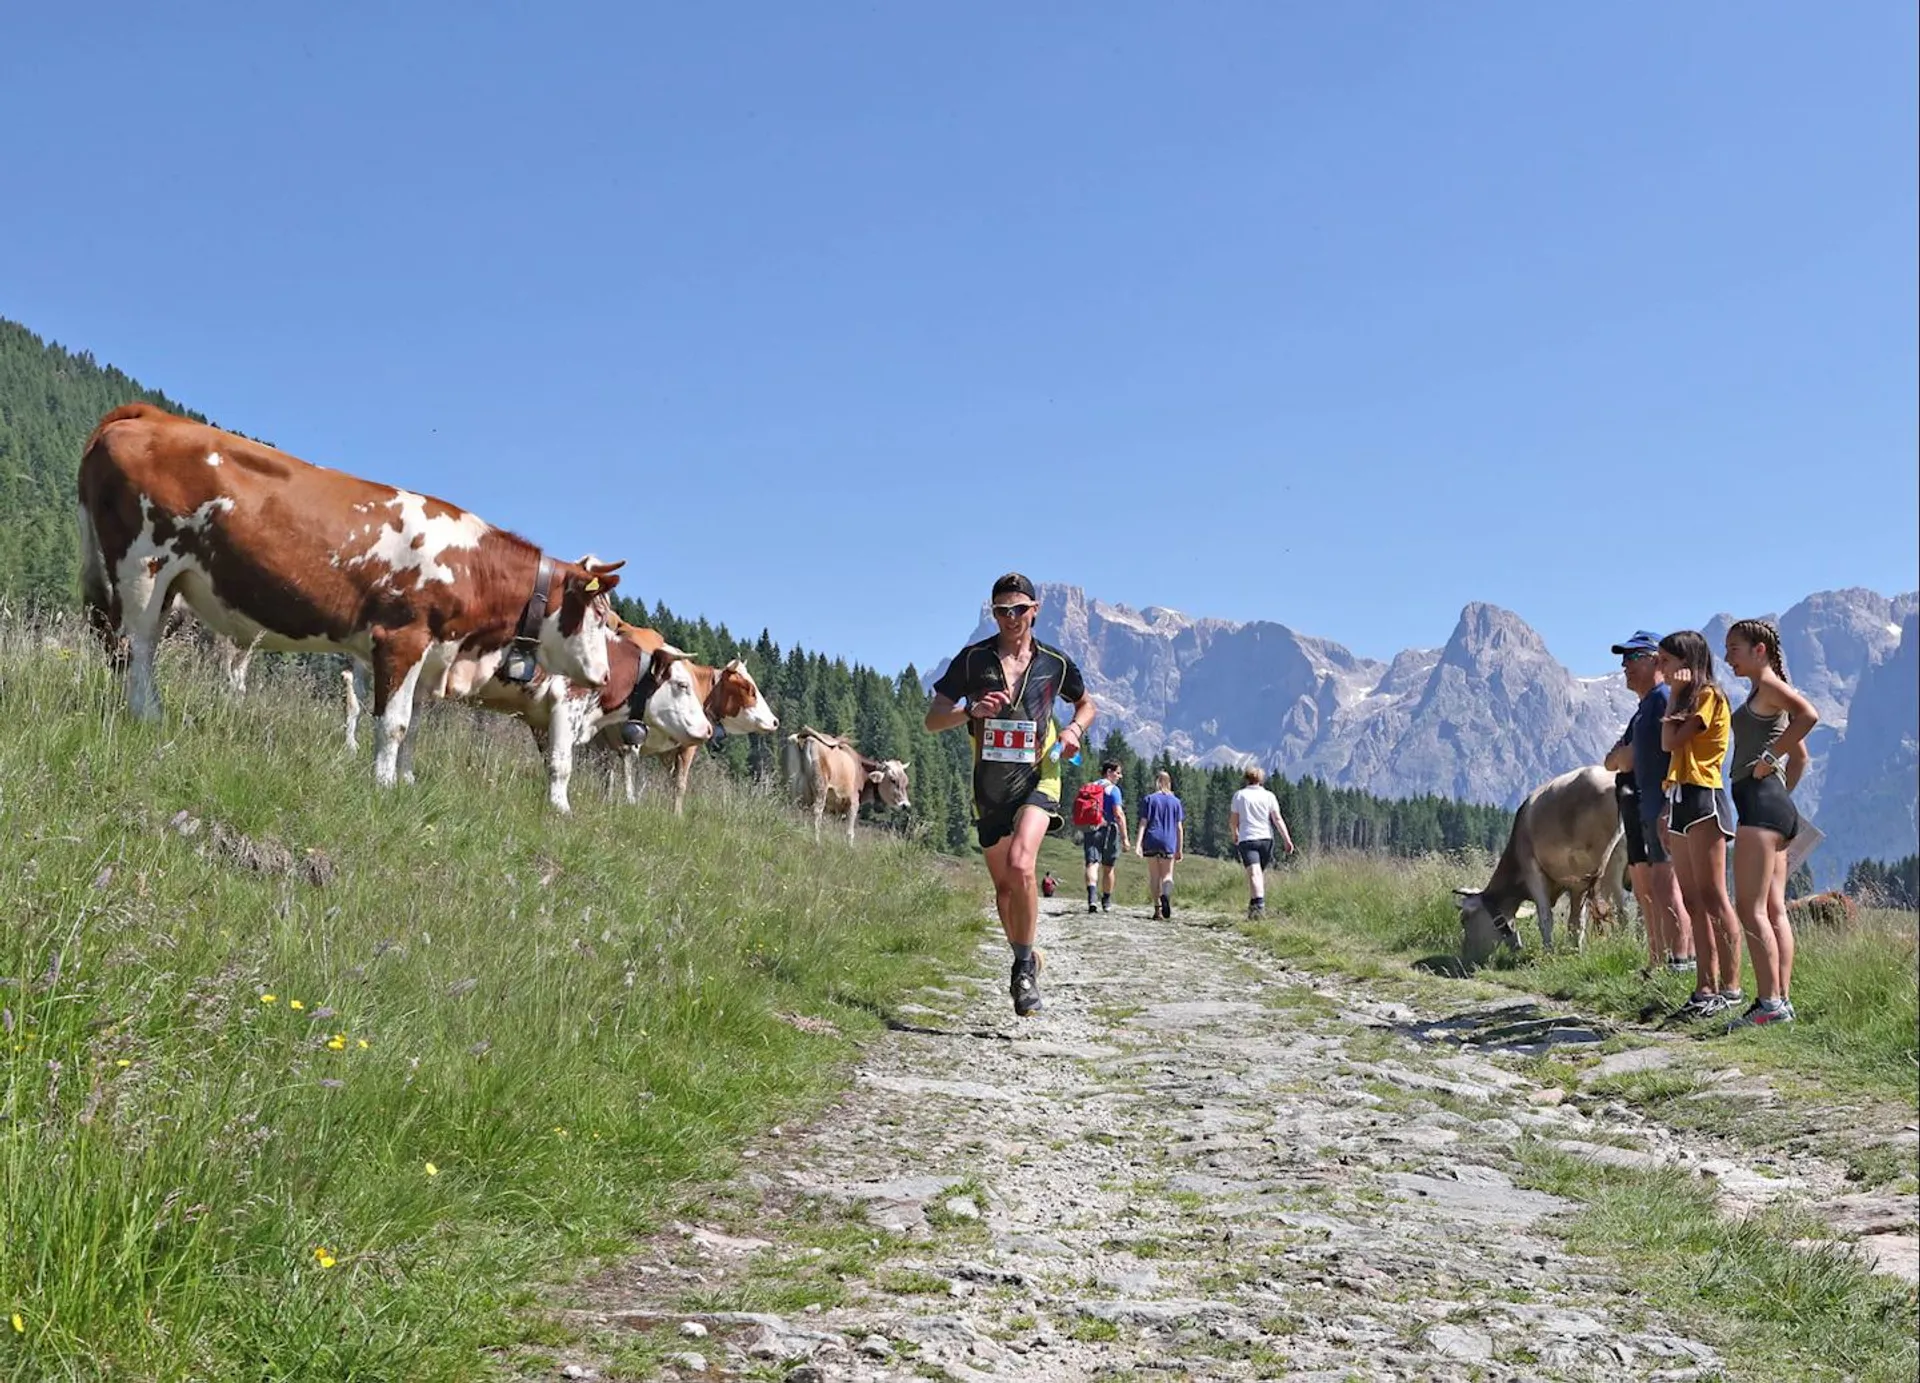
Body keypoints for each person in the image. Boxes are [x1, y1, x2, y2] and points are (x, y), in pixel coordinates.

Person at [926, 573, 1095, 1017]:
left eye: (1019, 609)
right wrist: (969, 711)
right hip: (990, 785)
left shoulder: (1054, 663)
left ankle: (1022, 972)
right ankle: (1027, 956)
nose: (1010, 618)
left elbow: (1086, 704)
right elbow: (933, 719)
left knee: (1022, 864)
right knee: (1004, 889)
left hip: (1040, 777)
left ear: (1034, 610)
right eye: (1001, 611)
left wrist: (1074, 731)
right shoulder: (973, 660)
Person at [1721, 618, 1819, 1029]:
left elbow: (1809, 715)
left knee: (1750, 907)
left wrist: (1768, 759)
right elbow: (1802, 757)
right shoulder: (1764, 692)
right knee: (1774, 908)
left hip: (1760, 806)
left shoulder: (1769, 685)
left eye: (1734, 649)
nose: (1727, 657)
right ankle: (1781, 1002)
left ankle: (1768, 1004)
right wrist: (1781, 793)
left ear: (1759, 650)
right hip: (1774, 806)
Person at [1656, 630, 1743, 1025]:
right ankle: (1704, 986)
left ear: (1687, 663)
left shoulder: (1709, 697)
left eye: (1666, 661)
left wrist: (1675, 696)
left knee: (1713, 895)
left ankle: (1731, 988)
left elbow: (1671, 741)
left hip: (1704, 796)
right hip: (1679, 797)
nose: (1661, 668)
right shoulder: (1685, 699)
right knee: (1692, 900)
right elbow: (1670, 746)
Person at [1601, 631, 1695, 976]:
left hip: (1660, 805)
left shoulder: (1661, 699)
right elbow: (1611, 761)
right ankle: (1660, 961)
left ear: (1656, 661)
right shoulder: (1643, 709)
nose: (1625, 666)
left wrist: (1626, 756)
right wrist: (1624, 756)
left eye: (1633, 657)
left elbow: (1630, 757)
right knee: (1651, 890)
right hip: (1642, 807)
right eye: (1623, 659)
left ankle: (1681, 961)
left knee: (1668, 888)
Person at [1229, 766, 1294, 920]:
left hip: (1248, 839)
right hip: (1266, 839)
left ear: (1246, 778)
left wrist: (1235, 833)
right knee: (1258, 874)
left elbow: (1233, 820)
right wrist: (1287, 839)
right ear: (1261, 780)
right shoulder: (1269, 796)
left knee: (1254, 874)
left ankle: (1259, 907)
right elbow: (1277, 819)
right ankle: (1254, 908)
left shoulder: (1239, 796)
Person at [1134, 770, 1185, 918]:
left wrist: (1138, 844)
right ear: (1169, 783)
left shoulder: (1149, 799)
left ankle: (1157, 909)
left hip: (1152, 839)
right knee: (1167, 875)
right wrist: (1179, 849)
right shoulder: (1176, 802)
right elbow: (1179, 828)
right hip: (1168, 841)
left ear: (1156, 782)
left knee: (1154, 876)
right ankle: (1166, 895)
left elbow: (1143, 823)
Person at [1080, 760, 1129, 912]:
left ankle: (1092, 897)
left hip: (1091, 828)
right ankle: (1106, 900)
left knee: (1092, 863)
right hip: (1109, 830)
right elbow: (1118, 814)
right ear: (1109, 772)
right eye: (1117, 773)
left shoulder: (1090, 787)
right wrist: (1125, 838)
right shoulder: (1113, 790)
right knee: (1108, 867)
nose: (1120, 776)